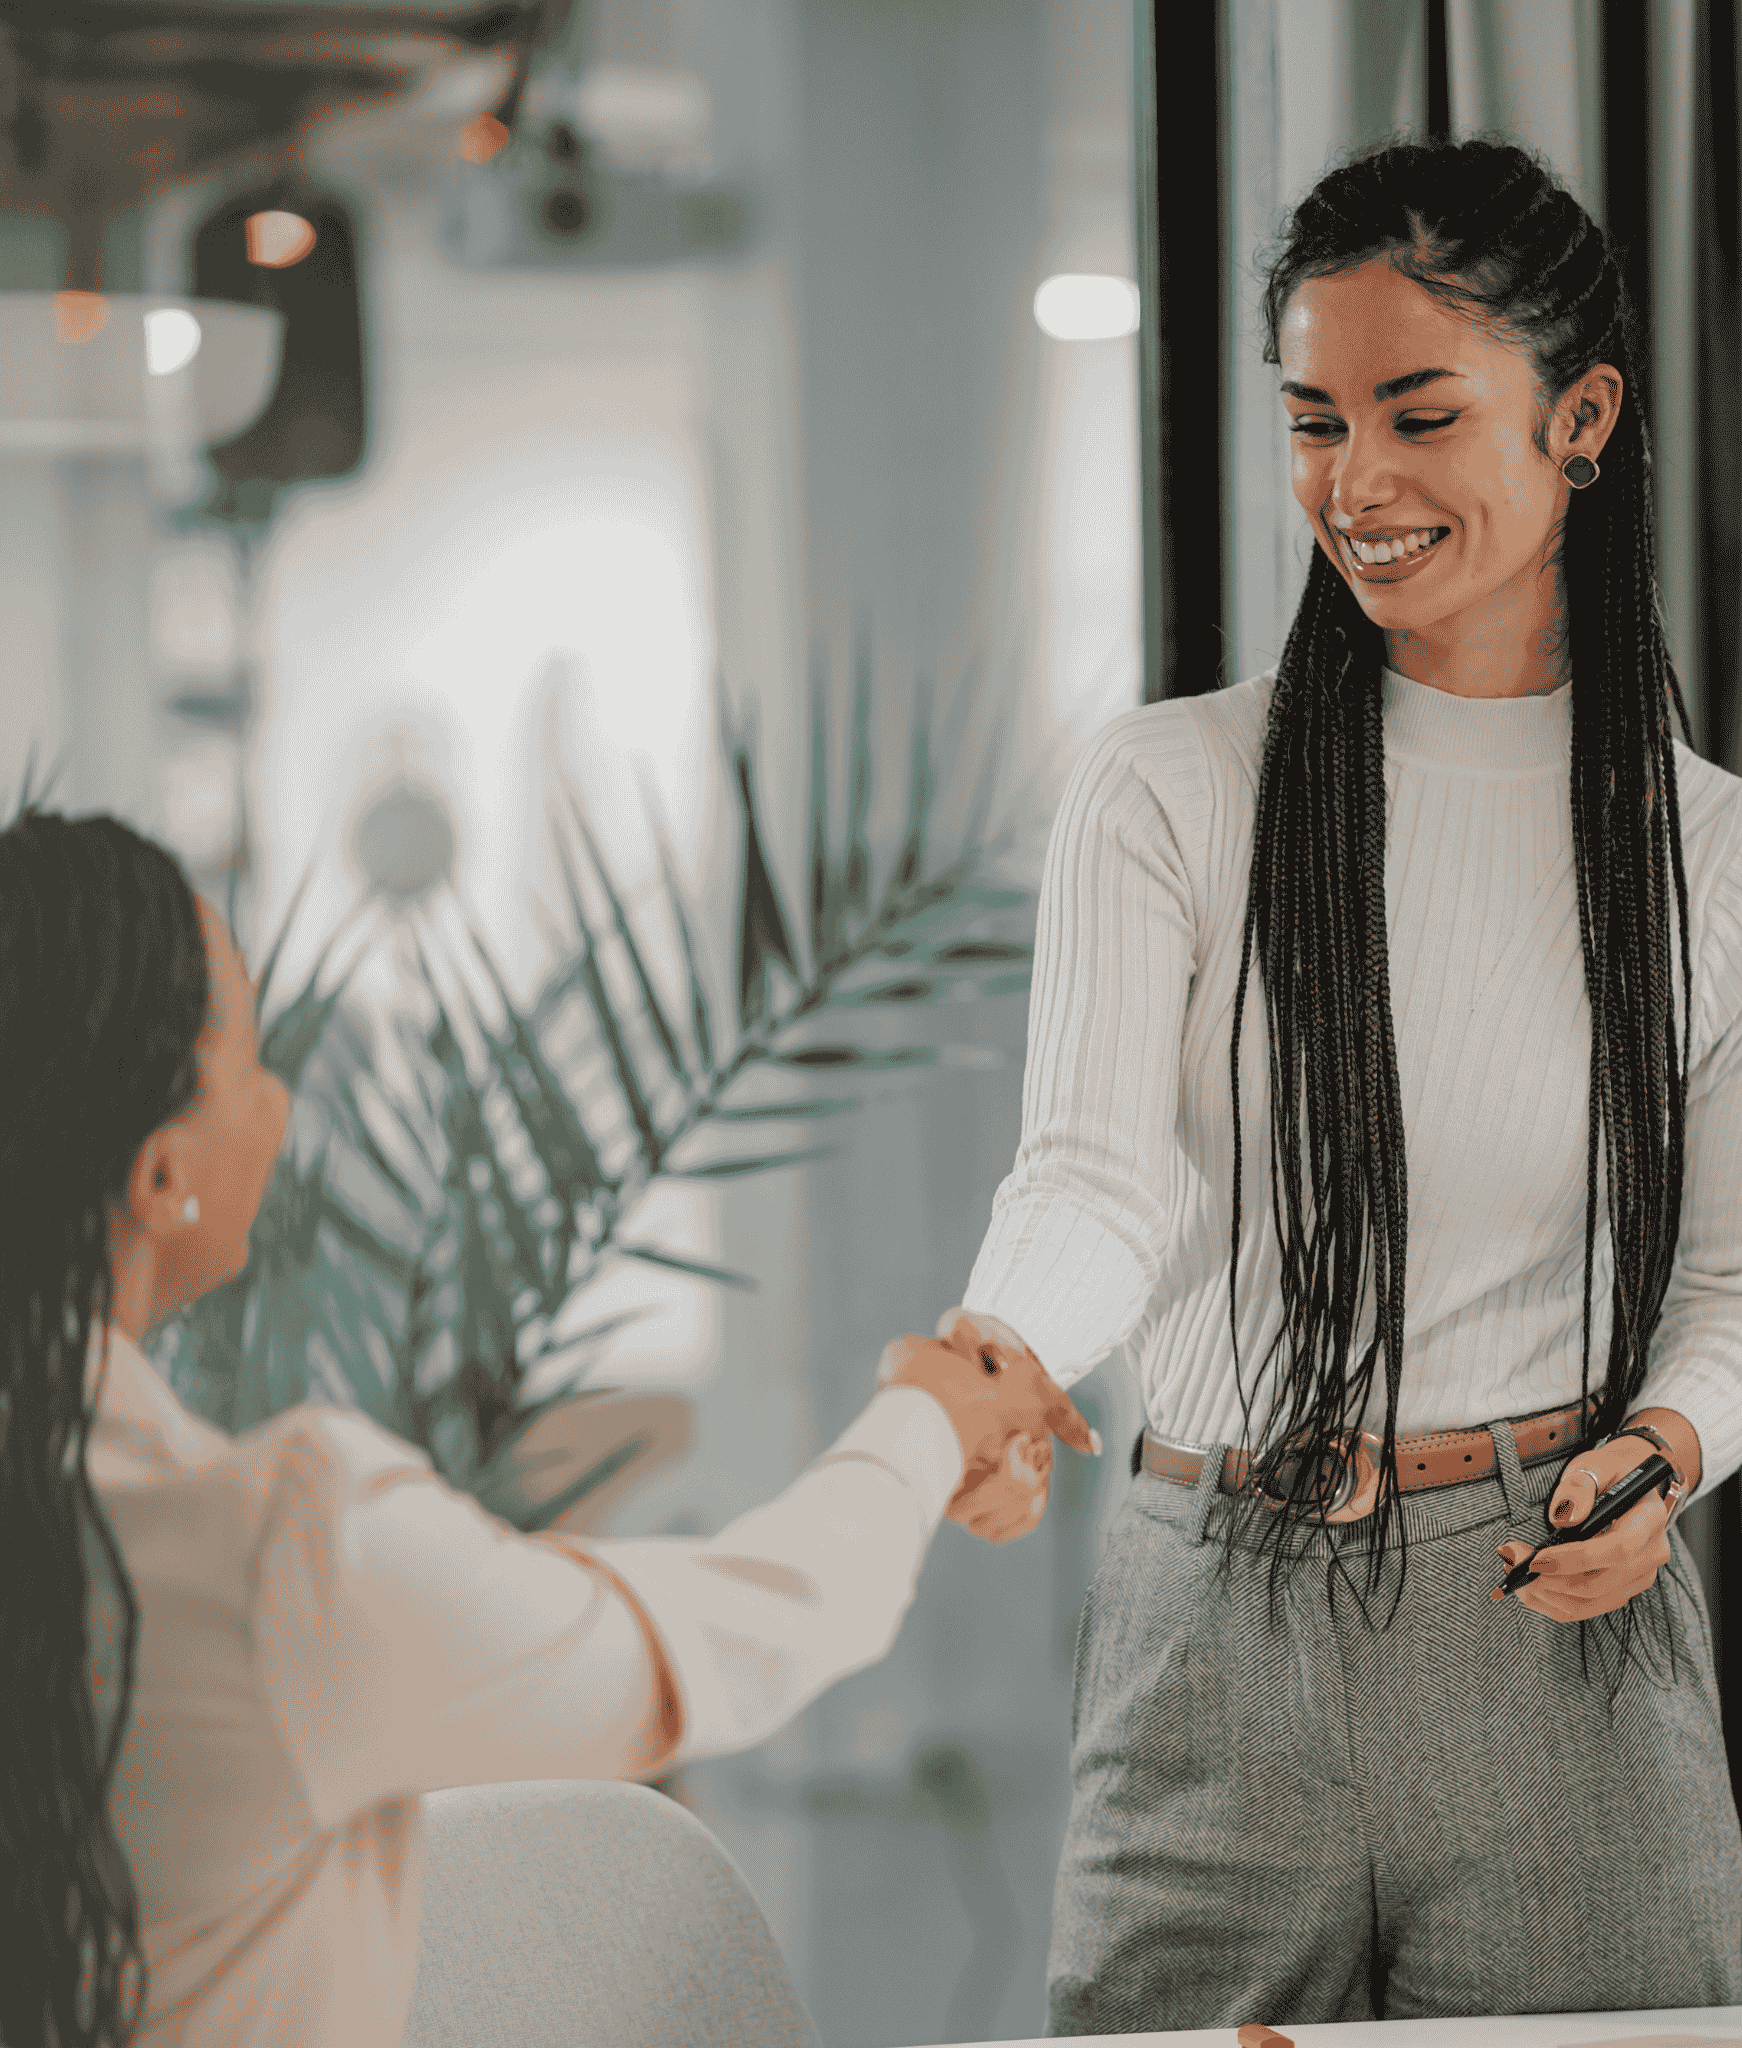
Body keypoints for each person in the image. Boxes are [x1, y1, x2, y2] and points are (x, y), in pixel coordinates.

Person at [938, 134, 1742, 2033]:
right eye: (1311, 419)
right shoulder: (1170, 790)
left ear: (1583, 418)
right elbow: (1093, 1185)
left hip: (1553, 1615)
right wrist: (996, 1348)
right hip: (1208, 1631)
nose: (1353, 484)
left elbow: (1724, 1285)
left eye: (1415, 413)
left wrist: (1672, 1448)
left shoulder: (1706, 854)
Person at [0, 806, 1097, 2048]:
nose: (283, 1106)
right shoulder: (273, 1554)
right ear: (160, 1176)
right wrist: (934, 1412)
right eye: (253, 1057)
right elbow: (726, 1632)